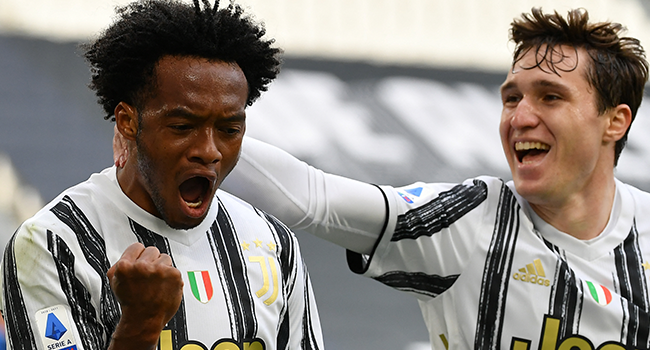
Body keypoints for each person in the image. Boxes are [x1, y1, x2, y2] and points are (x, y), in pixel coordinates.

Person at [216, 7, 650, 350]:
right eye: (511, 97)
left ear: (615, 121)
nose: (520, 117)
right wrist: (196, 132)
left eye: (550, 97)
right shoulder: (471, 220)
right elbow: (312, 199)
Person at [1, 1, 324, 350]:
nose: (210, 150)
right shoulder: (54, 243)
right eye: (183, 126)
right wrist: (140, 325)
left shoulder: (274, 244)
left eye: (229, 129)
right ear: (128, 122)